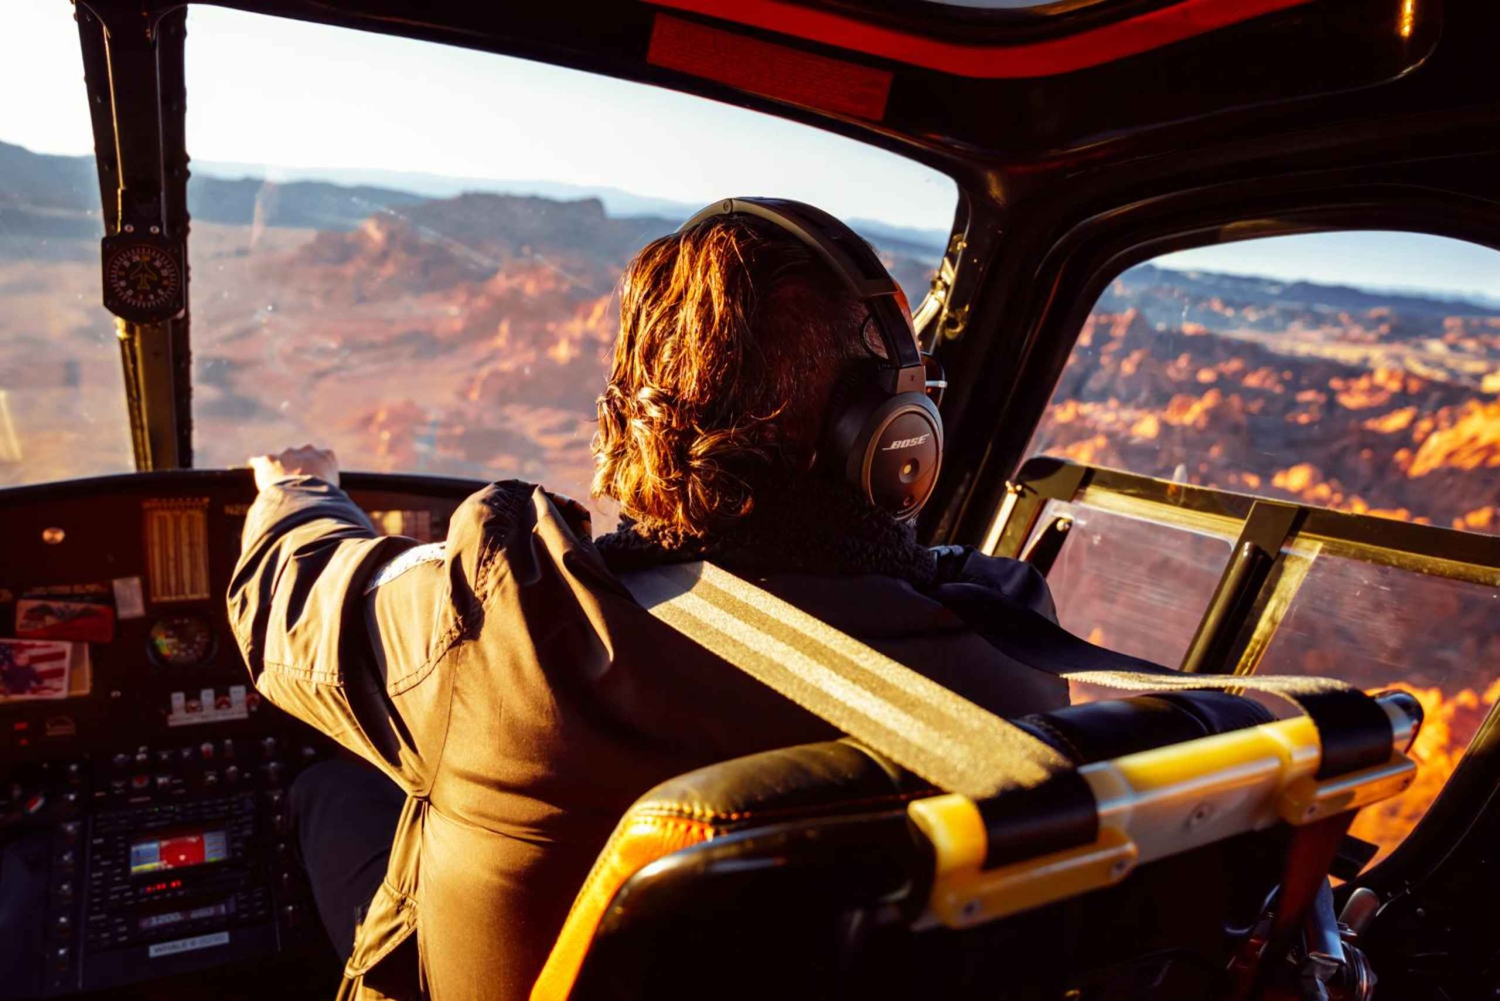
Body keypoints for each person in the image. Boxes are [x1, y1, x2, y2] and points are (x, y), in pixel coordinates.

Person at [229, 204, 1069, 1001]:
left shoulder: (516, 625)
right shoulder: (1015, 656)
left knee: (331, 785)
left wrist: (298, 491)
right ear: (897, 442)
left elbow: (286, 609)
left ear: (635, 422)